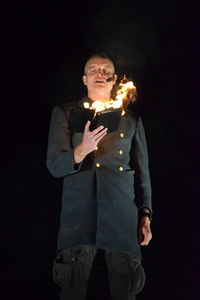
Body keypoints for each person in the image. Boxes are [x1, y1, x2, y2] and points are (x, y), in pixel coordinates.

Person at [46, 53, 153, 300]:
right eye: (94, 70)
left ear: (115, 79)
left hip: (122, 219)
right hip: (79, 219)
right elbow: (54, 165)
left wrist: (145, 214)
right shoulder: (64, 113)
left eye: (106, 70)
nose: (100, 74)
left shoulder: (132, 121)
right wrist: (81, 150)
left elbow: (142, 174)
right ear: (84, 79)